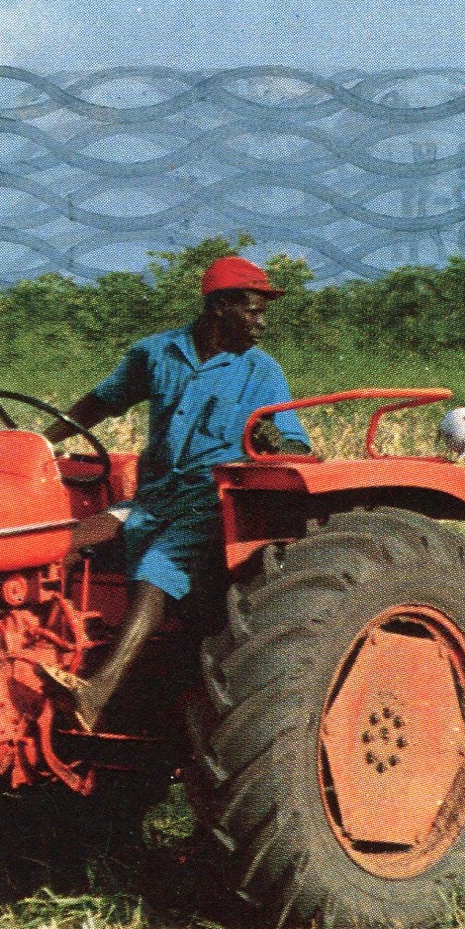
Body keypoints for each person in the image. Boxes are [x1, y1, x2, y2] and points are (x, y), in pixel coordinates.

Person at [41, 255, 311, 731]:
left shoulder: (261, 373)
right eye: (253, 310)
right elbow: (101, 402)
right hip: (155, 498)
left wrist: (275, 442)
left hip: (212, 501)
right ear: (219, 308)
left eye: (263, 312)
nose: (261, 323)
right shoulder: (157, 354)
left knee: (154, 570)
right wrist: (43, 441)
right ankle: (48, 652)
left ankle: (96, 693)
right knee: (63, 544)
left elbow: (298, 446)